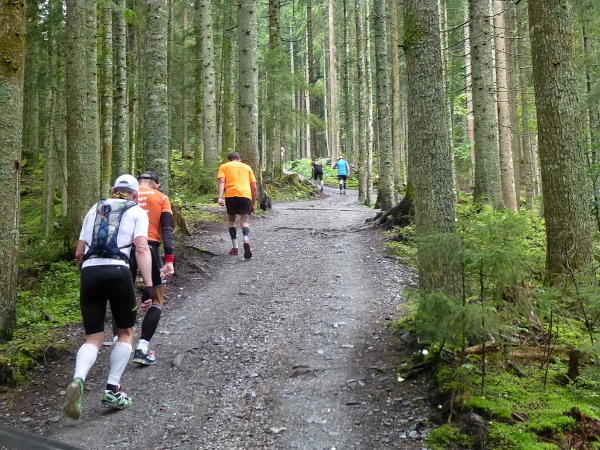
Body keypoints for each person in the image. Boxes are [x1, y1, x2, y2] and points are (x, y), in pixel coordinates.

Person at [63, 174, 154, 420]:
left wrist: (88, 274)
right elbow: (141, 248)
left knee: (93, 337)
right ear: (135, 194)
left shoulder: (94, 209)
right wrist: (148, 284)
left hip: (90, 272)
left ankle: (78, 379)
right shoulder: (137, 211)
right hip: (118, 271)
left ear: (113, 190)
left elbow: (79, 252)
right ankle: (113, 390)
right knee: (125, 332)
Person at [128, 171, 175, 366]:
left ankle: (120, 343)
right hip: (150, 247)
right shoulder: (161, 197)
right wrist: (169, 259)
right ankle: (142, 348)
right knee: (157, 298)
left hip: (124, 249)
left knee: (124, 296)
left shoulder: (127, 195)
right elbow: (167, 230)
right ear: (156, 184)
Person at [217, 152, 257, 259]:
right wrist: (252, 203)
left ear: (228, 160)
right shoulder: (247, 167)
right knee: (245, 222)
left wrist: (219, 197)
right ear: (239, 160)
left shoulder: (224, 166)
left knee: (232, 221)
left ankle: (235, 247)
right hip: (245, 195)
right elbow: (254, 187)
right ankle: (246, 239)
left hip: (230, 195)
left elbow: (222, 182)